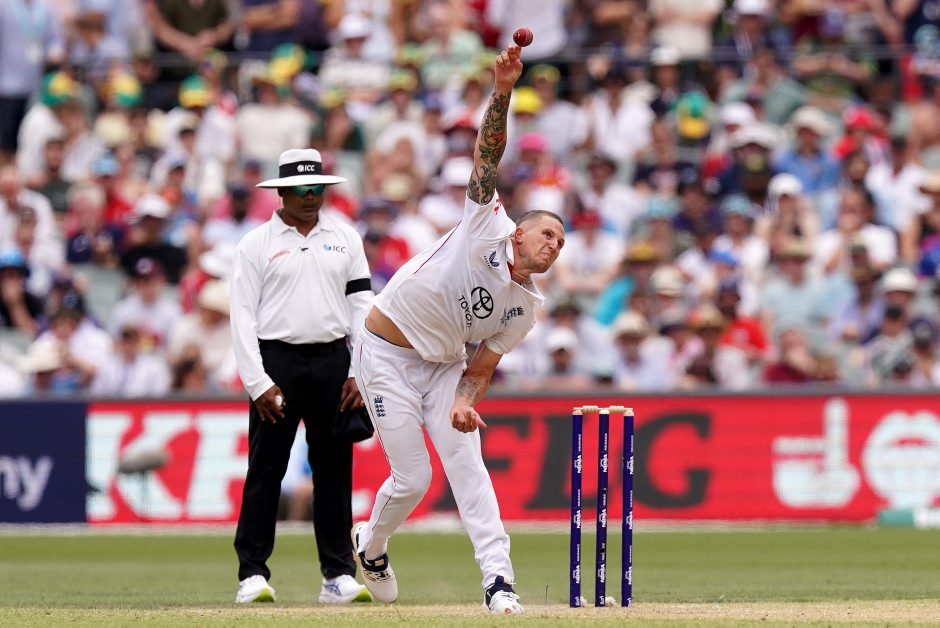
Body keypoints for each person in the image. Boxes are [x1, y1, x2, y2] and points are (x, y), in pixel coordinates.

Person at [351, 44, 564, 615]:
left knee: (469, 468)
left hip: (445, 366)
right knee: (413, 479)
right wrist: (503, 91)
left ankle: (499, 582)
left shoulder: (526, 307)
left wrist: (466, 401)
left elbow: (482, 367)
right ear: (519, 233)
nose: (554, 246)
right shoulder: (485, 223)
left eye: (561, 243)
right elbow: (486, 155)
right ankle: (371, 545)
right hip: (385, 352)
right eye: (547, 235)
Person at [230, 148, 374, 605]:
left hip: (333, 362)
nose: (310, 196)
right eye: (301, 189)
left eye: (317, 188)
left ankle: (338, 575)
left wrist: (358, 370)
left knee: (334, 471)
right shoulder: (256, 244)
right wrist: (258, 382)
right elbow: (242, 317)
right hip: (278, 362)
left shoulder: (346, 237)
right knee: (265, 469)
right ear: (282, 193)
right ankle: (252, 574)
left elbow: (362, 308)